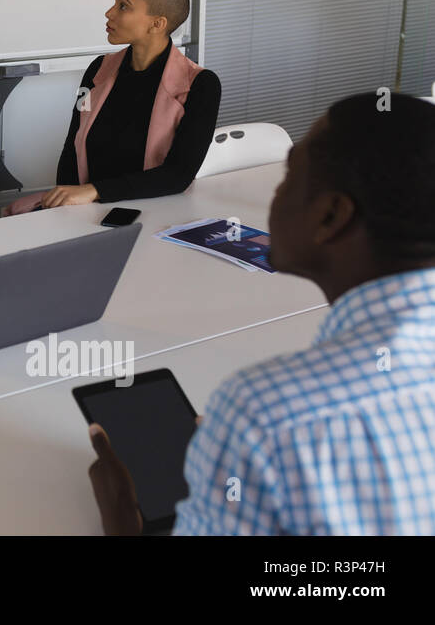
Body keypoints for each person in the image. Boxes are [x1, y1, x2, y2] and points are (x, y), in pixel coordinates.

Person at [88, 92, 435, 534]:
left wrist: (121, 516)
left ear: (331, 216)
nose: (276, 192)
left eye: (290, 175)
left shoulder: (266, 410)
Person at [5, 0, 221, 214]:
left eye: (123, 6)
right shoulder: (98, 69)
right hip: (86, 210)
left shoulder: (201, 85)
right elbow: (72, 147)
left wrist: (94, 191)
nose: (109, 13)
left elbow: (178, 175)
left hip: (155, 211)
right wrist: (65, 205)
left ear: (157, 24)